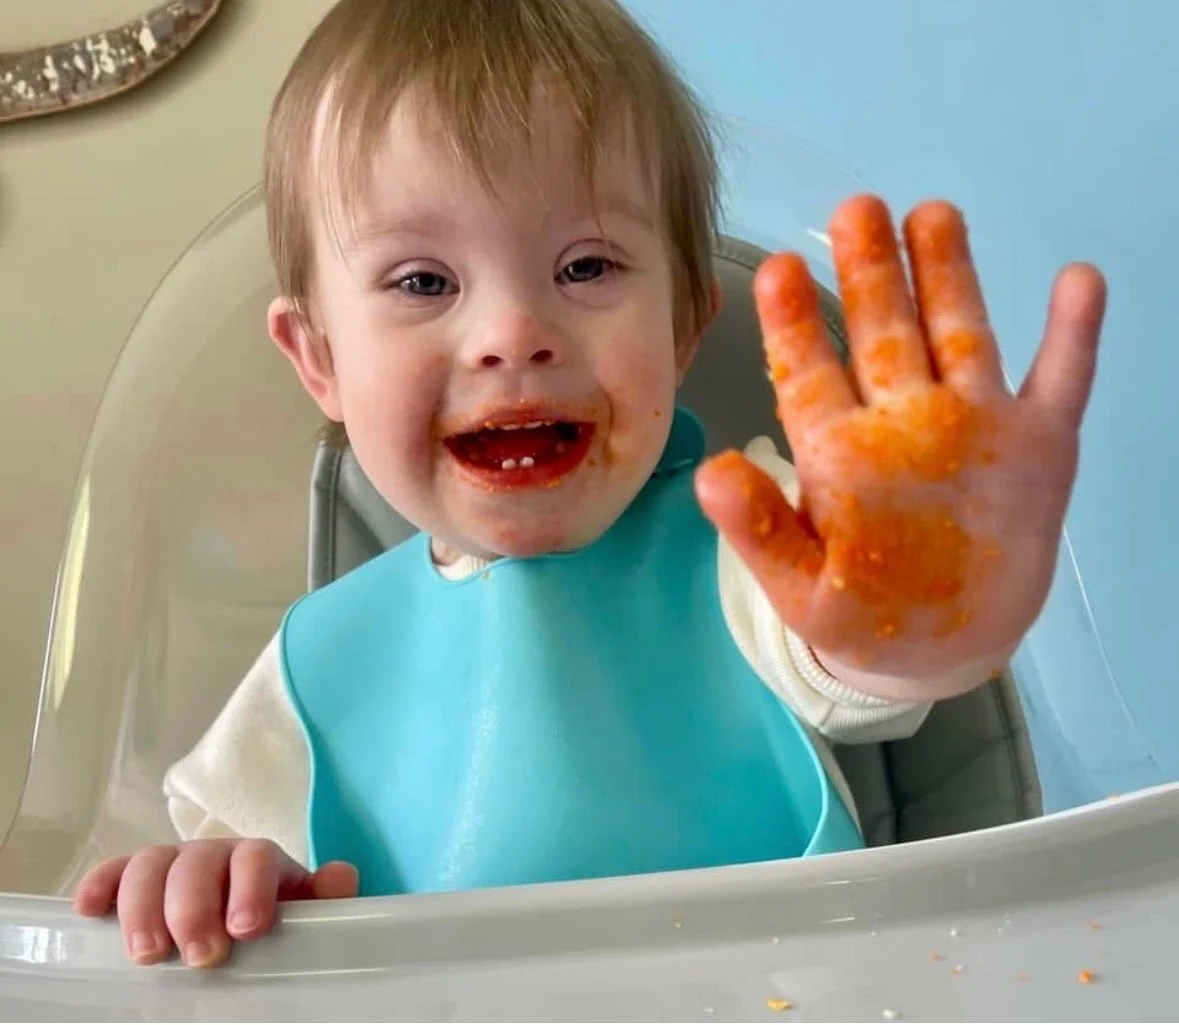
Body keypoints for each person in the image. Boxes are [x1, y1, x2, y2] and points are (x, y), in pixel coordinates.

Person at [72, 0, 1107, 970]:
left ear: (685, 320)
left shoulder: (756, 546)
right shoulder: (314, 669)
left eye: (586, 268)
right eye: (423, 281)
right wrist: (210, 887)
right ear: (320, 360)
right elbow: (223, 882)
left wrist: (916, 616)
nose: (513, 334)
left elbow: (855, 646)